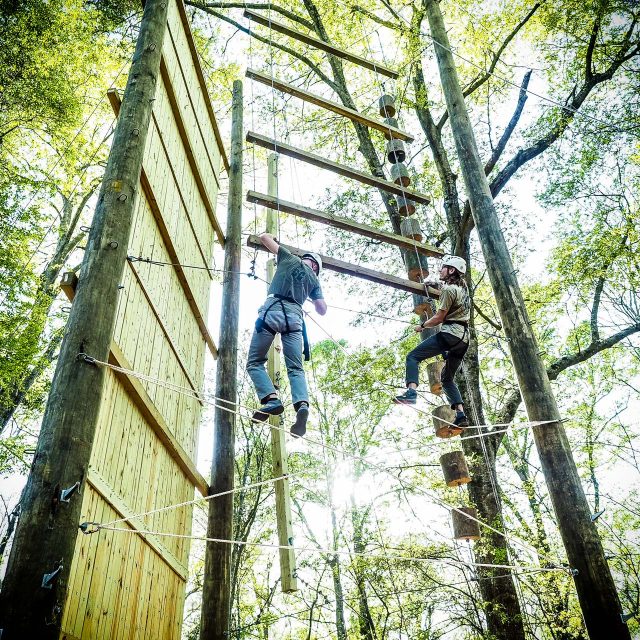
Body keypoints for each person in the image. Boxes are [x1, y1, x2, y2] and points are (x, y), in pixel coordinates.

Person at [247, 232, 327, 437]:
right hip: (294, 320)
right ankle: (302, 405)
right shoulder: (314, 281)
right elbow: (322, 309)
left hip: (272, 312)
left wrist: (272, 236)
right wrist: (308, 291)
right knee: (295, 368)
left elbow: (264, 238)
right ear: (316, 268)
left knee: (255, 362)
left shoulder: (289, 258)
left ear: (306, 259)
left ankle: (271, 399)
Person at [395, 255, 470, 429]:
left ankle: (411, 393)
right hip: (463, 340)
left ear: (451, 270)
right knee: (447, 379)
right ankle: (460, 414)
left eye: (443, 268)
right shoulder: (462, 291)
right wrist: (436, 286)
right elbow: (449, 296)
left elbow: (439, 317)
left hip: (450, 334)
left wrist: (422, 325)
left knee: (412, 357)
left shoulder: (449, 290)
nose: (439, 270)